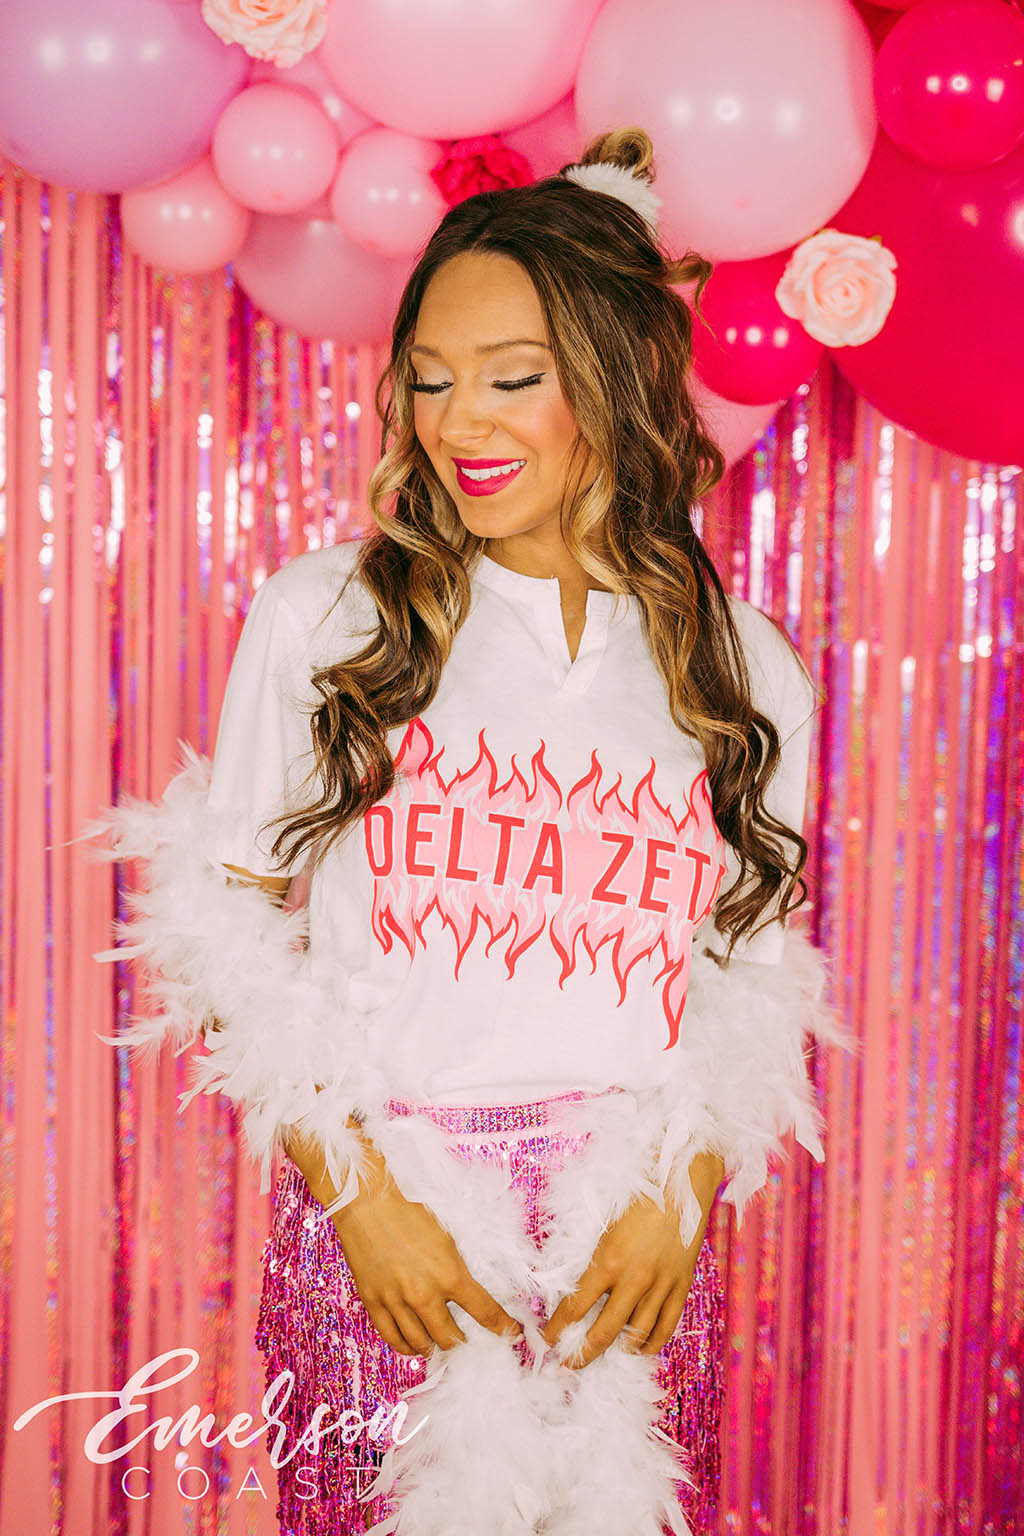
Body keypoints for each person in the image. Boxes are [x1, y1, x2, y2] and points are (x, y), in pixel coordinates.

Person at [83, 126, 857, 1536]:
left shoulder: (744, 668)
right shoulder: (328, 620)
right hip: (395, 1244)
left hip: (630, 1253)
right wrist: (360, 1199)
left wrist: (677, 1192)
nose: (459, 424)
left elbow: (753, 976)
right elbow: (221, 932)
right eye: (432, 380)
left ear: (618, 381)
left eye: (512, 379)